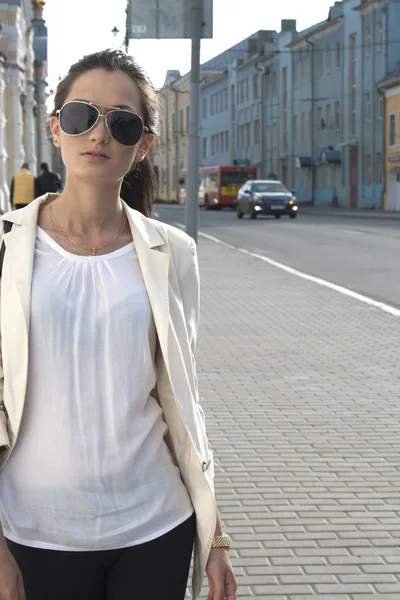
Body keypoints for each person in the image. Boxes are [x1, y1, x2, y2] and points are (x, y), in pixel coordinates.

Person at [0, 49, 237, 600]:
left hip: (154, 526)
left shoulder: (171, 252)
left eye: (122, 122)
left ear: (143, 144)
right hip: (33, 531)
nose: (98, 134)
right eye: (82, 115)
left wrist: (215, 534)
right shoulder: (6, 248)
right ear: (56, 127)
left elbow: (180, 395)